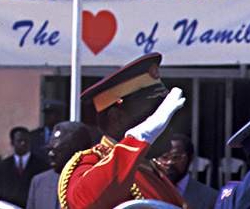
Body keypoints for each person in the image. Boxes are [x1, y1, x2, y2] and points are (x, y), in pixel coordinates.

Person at [58, 53, 189, 209]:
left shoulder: (150, 168)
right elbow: (86, 203)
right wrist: (138, 138)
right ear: (116, 119)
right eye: (156, 114)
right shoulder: (92, 163)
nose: (166, 123)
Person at [26, 121, 92, 209]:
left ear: (78, 150)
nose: (51, 154)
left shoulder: (93, 180)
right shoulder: (39, 182)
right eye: (48, 149)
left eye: (57, 149)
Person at [157, 134, 218, 209]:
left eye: (176, 157)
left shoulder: (211, 197)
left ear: (190, 158)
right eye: (164, 158)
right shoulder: (144, 190)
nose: (170, 162)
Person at [0, 127, 47, 208]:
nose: (23, 143)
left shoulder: (41, 165)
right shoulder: (2, 166)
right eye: (19, 140)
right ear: (12, 142)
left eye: (26, 140)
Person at [29, 99, 65, 165]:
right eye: (46, 113)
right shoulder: (33, 136)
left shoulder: (64, 135)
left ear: (59, 115)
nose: (47, 117)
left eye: (51, 114)